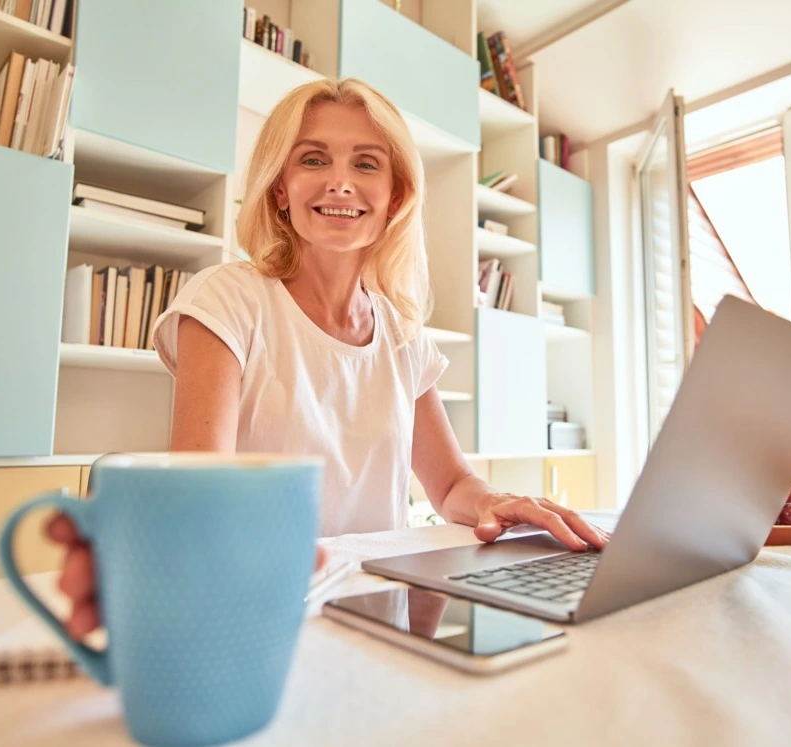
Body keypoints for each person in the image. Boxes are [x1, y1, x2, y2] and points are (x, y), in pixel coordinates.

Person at [46, 77, 610, 639]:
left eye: (367, 164)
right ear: (280, 190)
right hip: (256, 613)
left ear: (395, 197)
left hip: (375, 619)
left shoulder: (402, 332)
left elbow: (450, 485)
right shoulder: (226, 298)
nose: (341, 183)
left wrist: (499, 500)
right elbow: (199, 487)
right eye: (313, 159)